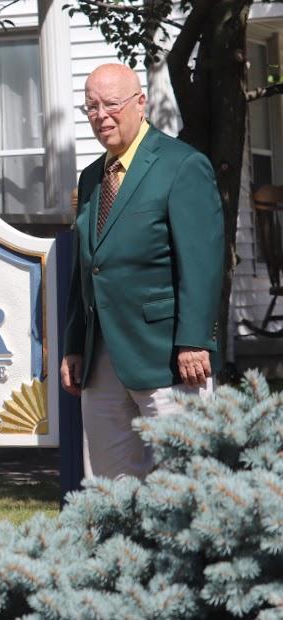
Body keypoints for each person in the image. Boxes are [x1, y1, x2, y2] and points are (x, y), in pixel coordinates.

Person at [60, 63, 223, 480]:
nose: (101, 115)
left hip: (168, 357)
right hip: (100, 358)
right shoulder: (92, 177)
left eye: (111, 104)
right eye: (91, 107)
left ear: (140, 103)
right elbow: (87, 268)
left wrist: (194, 341)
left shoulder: (182, 165)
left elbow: (201, 264)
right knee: (109, 486)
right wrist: (74, 345)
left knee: (186, 479)